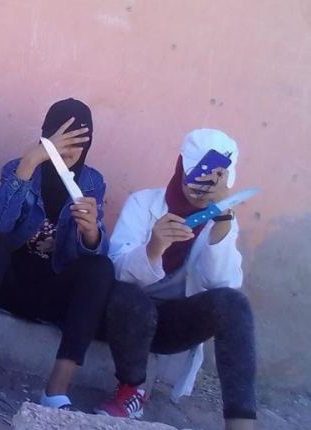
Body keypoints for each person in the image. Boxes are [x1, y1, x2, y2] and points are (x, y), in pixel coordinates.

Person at [0, 99, 115, 416]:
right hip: (11, 283)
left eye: (80, 140)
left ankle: (56, 393)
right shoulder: (19, 167)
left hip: (53, 291)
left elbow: (88, 256)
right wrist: (29, 164)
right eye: (63, 137)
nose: (70, 149)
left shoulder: (92, 182)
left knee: (102, 267)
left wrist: (91, 232)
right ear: (47, 135)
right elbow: (0, 225)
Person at [96, 129, 256, 430]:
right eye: (195, 178)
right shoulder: (143, 203)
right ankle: (131, 391)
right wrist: (153, 249)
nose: (200, 190)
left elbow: (223, 284)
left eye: (211, 183)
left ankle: (241, 422)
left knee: (235, 303)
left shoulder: (221, 221)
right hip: (126, 320)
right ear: (181, 167)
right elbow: (113, 272)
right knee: (129, 296)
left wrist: (221, 222)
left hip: (172, 325)